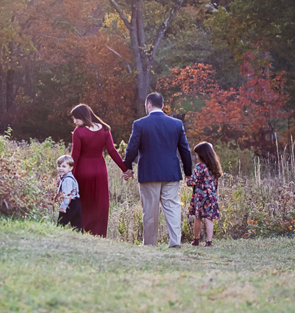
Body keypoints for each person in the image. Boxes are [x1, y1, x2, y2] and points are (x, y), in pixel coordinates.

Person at [122, 92, 194, 249]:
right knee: (172, 206)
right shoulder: (176, 124)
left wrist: (127, 167)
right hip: (171, 173)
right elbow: (185, 150)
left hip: (149, 173)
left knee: (150, 209)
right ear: (162, 105)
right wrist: (188, 173)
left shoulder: (140, 124)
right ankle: (175, 242)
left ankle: (150, 244)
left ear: (148, 104)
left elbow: (132, 148)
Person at [69, 103, 130, 239]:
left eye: (76, 118)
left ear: (83, 116)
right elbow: (112, 151)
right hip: (100, 171)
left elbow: (75, 156)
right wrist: (125, 169)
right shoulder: (104, 129)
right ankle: (99, 234)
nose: (74, 121)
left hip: (83, 171)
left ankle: (83, 232)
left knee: (84, 203)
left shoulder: (79, 132)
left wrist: (68, 176)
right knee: (99, 204)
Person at [187, 141, 223, 247]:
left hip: (200, 196)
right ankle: (209, 241)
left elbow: (192, 182)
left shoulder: (200, 167)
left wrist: (188, 179)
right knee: (209, 218)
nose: (197, 157)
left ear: (202, 155)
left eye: (197, 154)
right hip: (211, 196)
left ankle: (196, 239)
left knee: (198, 217)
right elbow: (215, 183)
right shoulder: (214, 167)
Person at [55, 155, 82, 230]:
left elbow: (67, 195)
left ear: (70, 168)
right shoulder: (67, 178)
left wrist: (63, 207)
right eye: (59, 166)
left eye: (64, 166)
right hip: (76, 203)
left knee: (61, 223)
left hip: (69, 204)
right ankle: (79, 236)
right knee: (77, 224)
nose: (60, 168)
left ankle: (58, 234)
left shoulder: (67, 180)